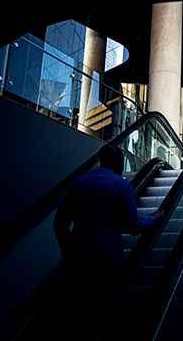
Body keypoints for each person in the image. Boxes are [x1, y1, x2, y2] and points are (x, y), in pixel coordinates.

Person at [53, 144, 164, 336]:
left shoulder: (77, 184)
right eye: (121, 162)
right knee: (104, 310)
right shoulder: (122, 185)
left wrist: (70, 251)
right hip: (108, 260)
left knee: (77, 309)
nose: (123, 167)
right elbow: (134, 227)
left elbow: (59, 225)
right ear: (116, 162)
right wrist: (152, 216)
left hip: (79, 259)